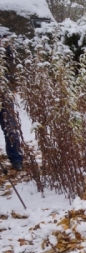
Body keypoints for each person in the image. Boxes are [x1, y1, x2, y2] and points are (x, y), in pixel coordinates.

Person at [0, 35, 21, 171]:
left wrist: (6, 47)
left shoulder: (4, 45)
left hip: (4, 93)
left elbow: (11, 63)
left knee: (11, 128)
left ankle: (16, 159)